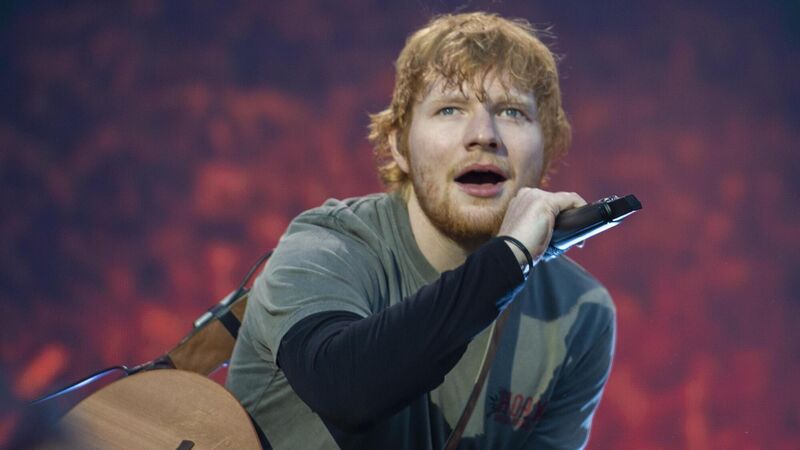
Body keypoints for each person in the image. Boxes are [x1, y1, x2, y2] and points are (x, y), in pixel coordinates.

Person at [227, 11, 615, 450]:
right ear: (399, 145)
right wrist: (510, 258)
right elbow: (345, 390)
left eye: (511, 111)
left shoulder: (579, 311)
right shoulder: (326, 247)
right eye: (450, 109)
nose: (483, 135)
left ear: (550, 147)